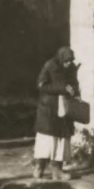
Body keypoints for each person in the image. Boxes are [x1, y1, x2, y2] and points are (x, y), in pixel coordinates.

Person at [34, 46, 81, 180]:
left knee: (61, 140)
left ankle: (57, 171)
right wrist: (61, 88)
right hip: (49, 109)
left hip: (64, 109)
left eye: (71, 61)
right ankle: (39, 167)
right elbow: (41, 85)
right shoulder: (50, 65)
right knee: (46, 139)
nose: (68, 63)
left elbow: (74, 83)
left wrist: (76, 93)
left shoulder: (71, 68)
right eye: (66, 61)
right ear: (60, 58)